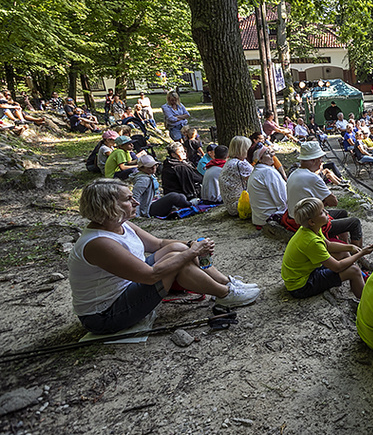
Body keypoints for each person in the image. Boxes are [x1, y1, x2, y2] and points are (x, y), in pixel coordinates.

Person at [68, 179, 260, 334]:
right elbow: (150, 275)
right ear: (107, 206)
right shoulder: (99, 243)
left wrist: (190, 245)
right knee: (179, 261)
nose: (136, 202)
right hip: (105, 315)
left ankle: (225, 282)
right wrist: (192, 252)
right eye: (128, 199)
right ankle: (224, 294)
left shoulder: (120, 224)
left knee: (176, 249)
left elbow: (158, 244)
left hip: (128, 288)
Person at [281, 197, 373, 299]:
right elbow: (337, 267)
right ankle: (366, 301)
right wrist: (360, 254)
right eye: (322, 212)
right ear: (312, 222)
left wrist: (351, 247)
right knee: (354, 270)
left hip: (304, 273)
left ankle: (358, 282)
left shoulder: (310, 229)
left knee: (343, 253)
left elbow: (329, 245)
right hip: (301, 286)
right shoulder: (312, 242)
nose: (326, 212)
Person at [282, 141, 362, 245]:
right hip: (308, 222)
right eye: (320, 158)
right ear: (314, 160)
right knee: (355, 223)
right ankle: (358, 254)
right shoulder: (312, 177)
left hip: (294, 217)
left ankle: (344, 243)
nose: (322, 162)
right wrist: (324, 201)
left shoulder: (294, 173)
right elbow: (334, 202)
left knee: (343, 213)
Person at [246, 145, 288, 226]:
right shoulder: (268, 172)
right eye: (268, 154)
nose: (272, 155)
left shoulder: (257, 171)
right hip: (270, 218)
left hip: (259, 218)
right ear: (260, 159)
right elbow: (282, 199)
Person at [220, 136, 254, 216]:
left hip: (231, 205)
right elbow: (258, 177)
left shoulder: (230, 161)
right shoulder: (240, 164)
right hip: (240, 205)